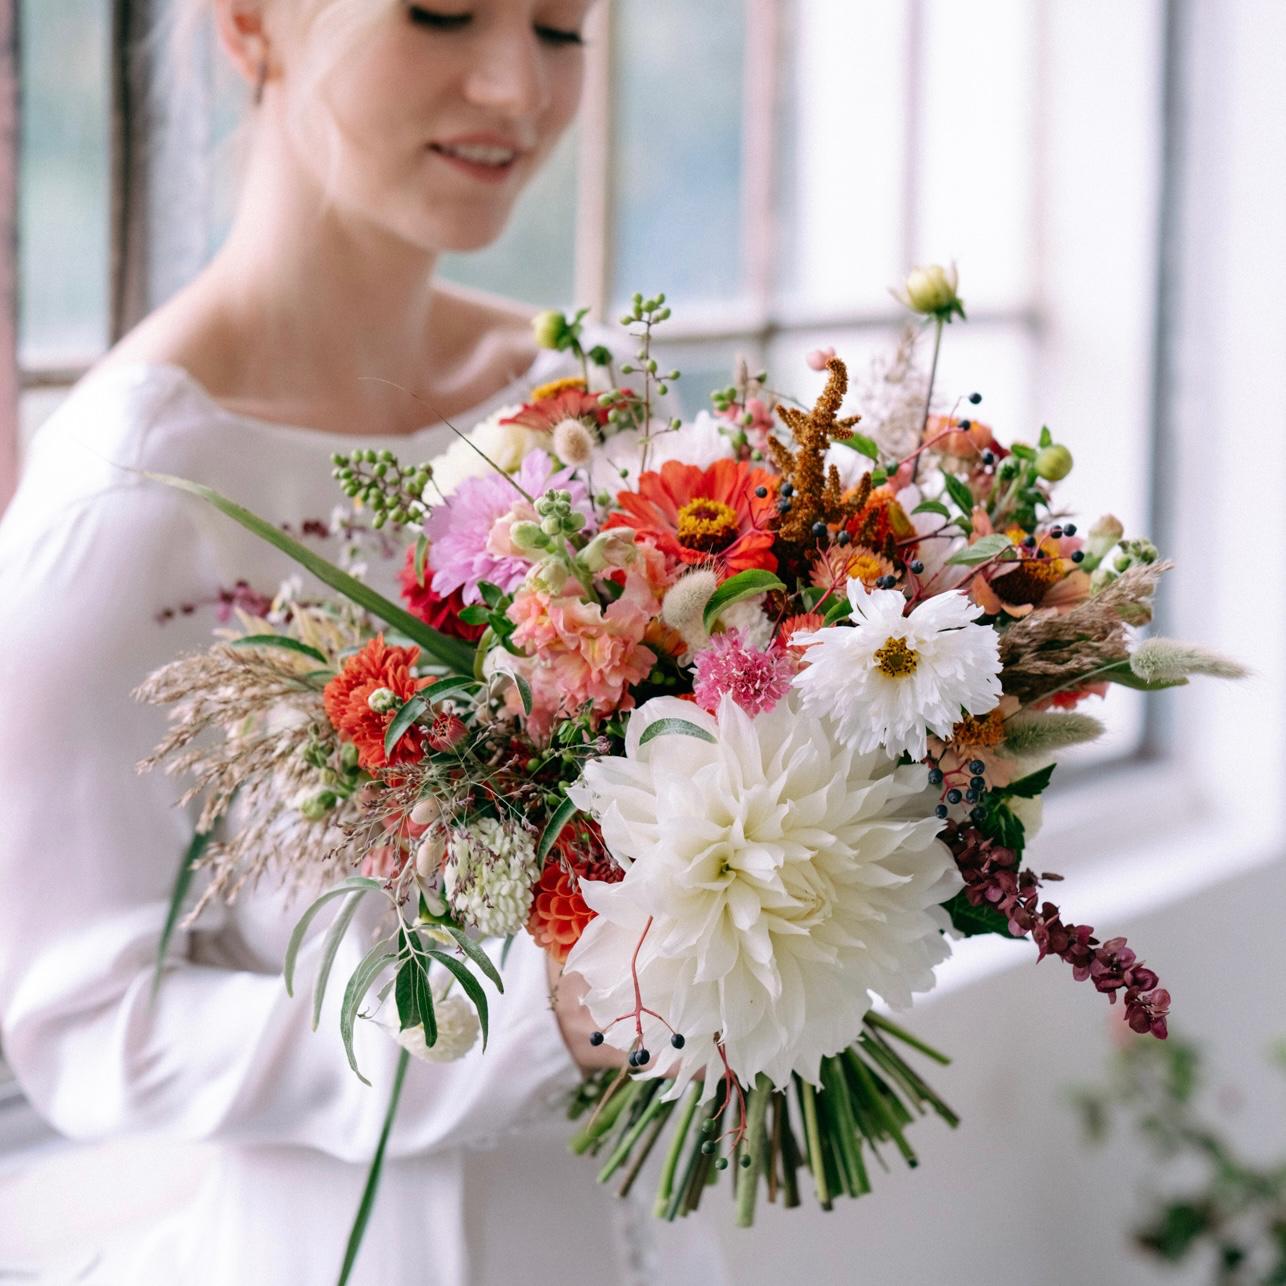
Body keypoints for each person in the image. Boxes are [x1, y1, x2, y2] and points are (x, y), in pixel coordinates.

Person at [0, 3, 727, 1282]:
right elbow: (90, 1023)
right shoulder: (128, 500)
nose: (517, 88)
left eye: (561, 28)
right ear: (249, 24)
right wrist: (539, 1017)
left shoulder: (585, 401)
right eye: (440, 11)